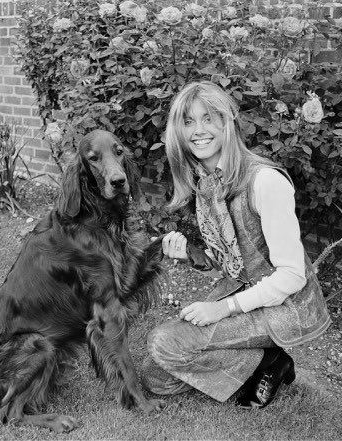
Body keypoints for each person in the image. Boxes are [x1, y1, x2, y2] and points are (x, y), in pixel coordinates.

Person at [140, 81, 331, 409]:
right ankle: (265, 361)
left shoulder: (265, 182)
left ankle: (268, 363)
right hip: (248, 292)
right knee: (153, 377)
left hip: (287, 307)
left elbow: (292, 276)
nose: (198, 130)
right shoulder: (209, 184)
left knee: (164, 342)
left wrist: (222, 309)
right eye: (188, 121)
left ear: (227, 122)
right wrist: (188, 253)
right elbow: (227, 261)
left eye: (208, 118)